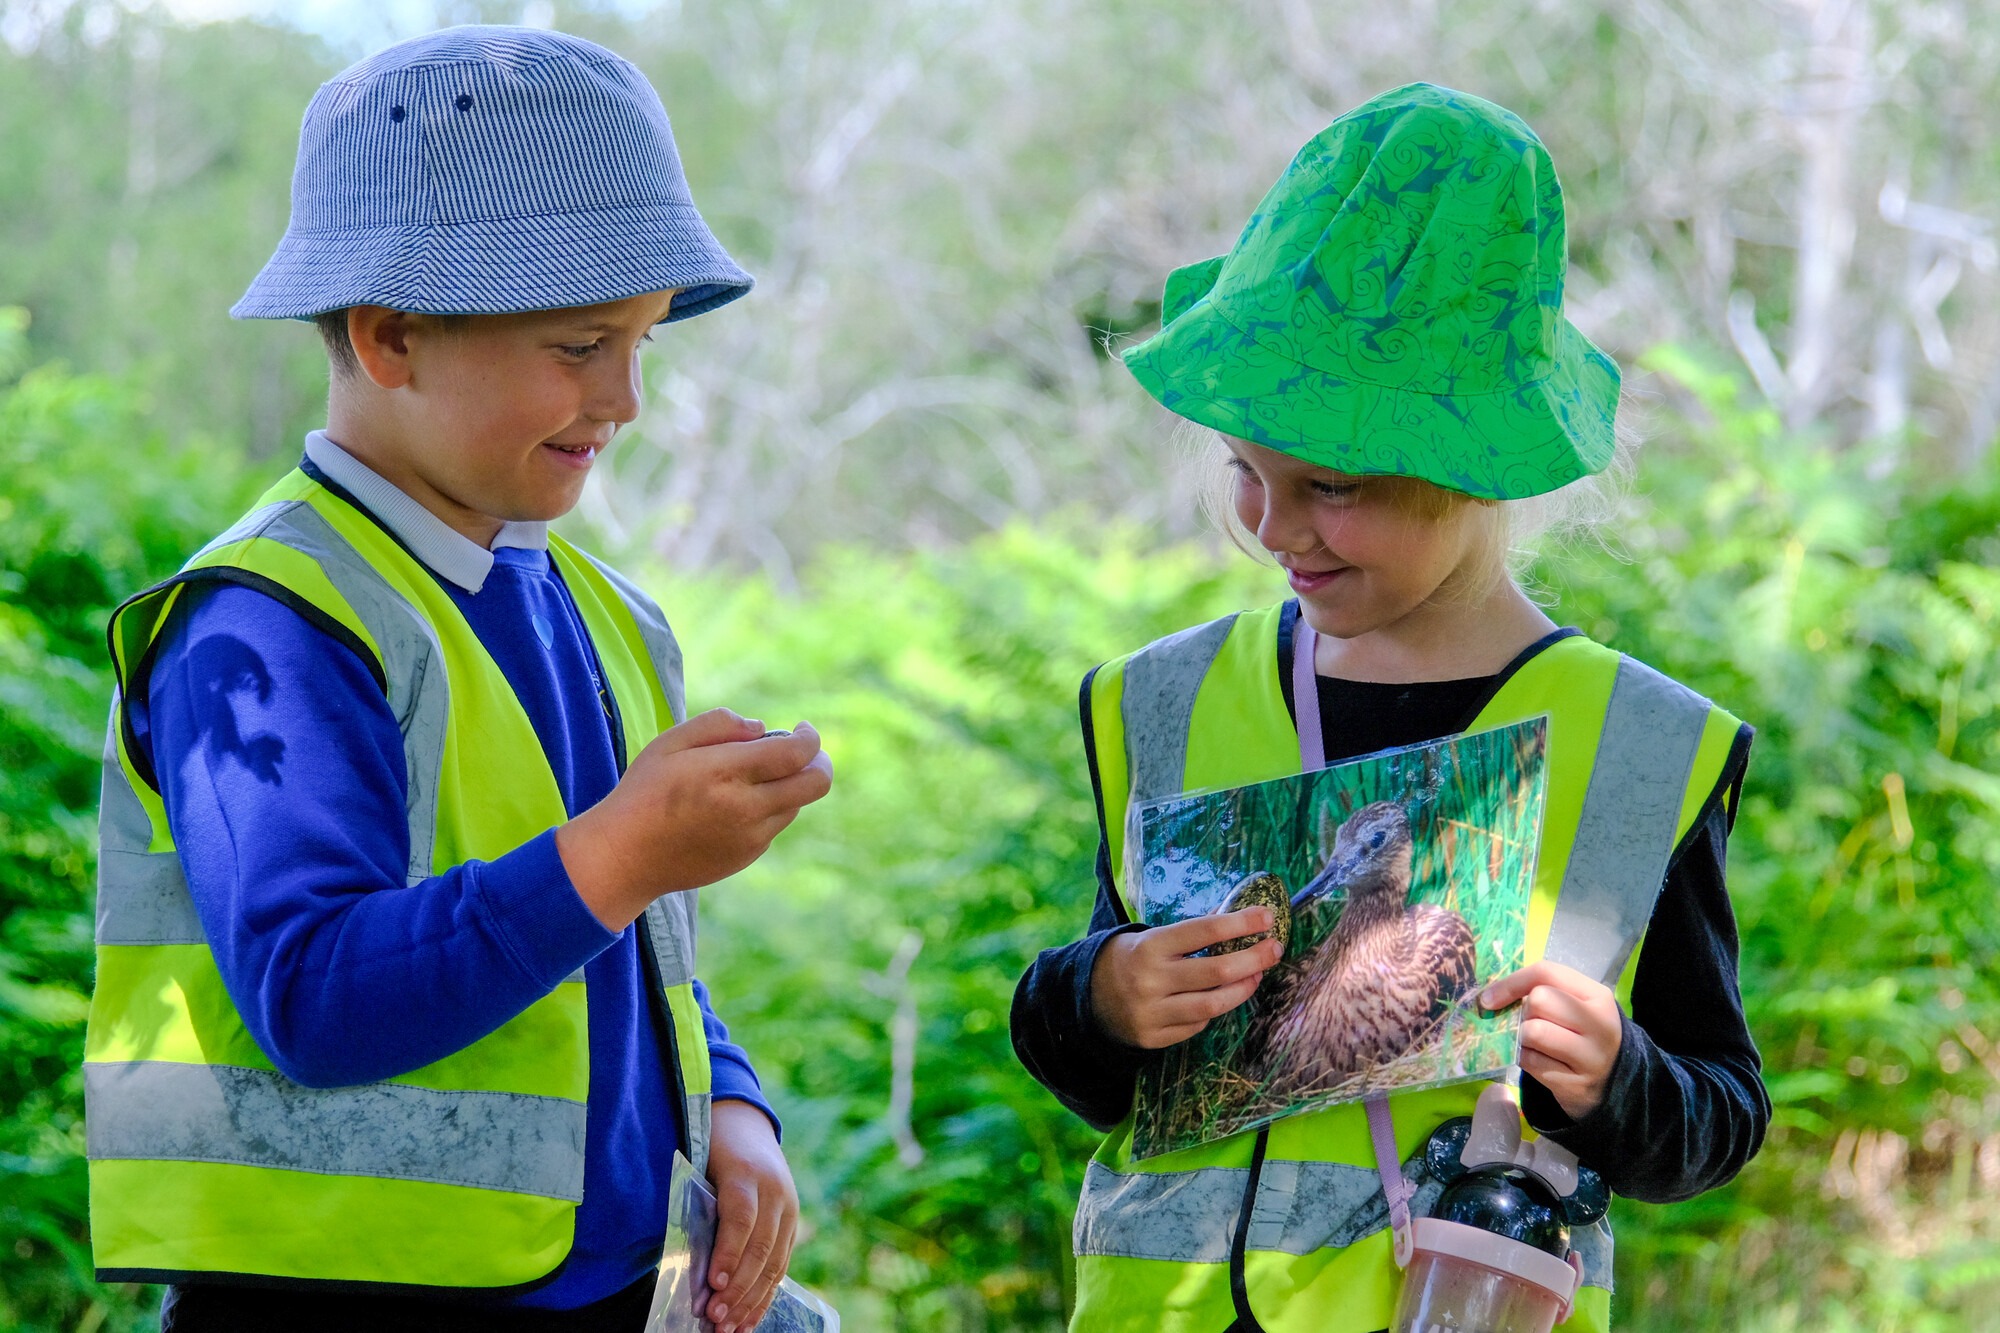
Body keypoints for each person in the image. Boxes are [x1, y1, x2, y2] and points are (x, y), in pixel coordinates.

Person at [83, 27, 831, 1333]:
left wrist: (730, 1101)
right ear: (390, 338)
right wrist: (621, 851)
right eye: (581, 345)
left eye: (644, 344)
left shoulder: (603, 615)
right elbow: (314, 995)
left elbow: (635, 949)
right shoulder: (266, 628)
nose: (626, 399)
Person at [1011, 83, 1769, 1332]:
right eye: (1244, 472)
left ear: (1475, 464)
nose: (1270, 526)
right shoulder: (1163, 700)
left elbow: (1716, 1113)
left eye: (1330, 485)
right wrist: (1099, 994)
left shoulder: (1640, 747)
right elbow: (1084, 1049)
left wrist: (1615, 1075)